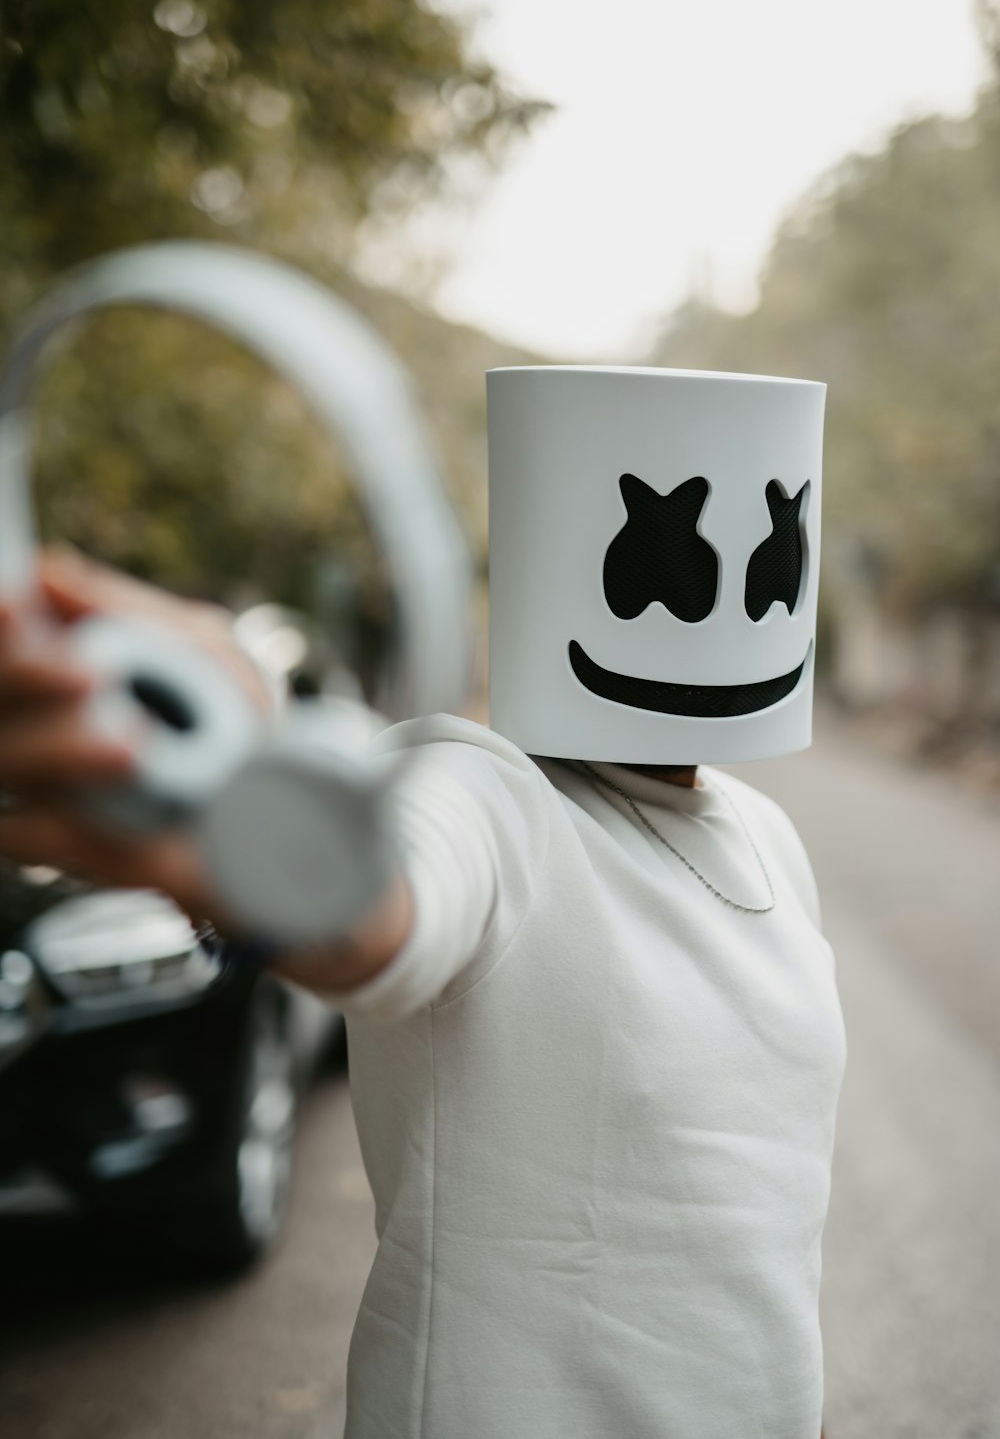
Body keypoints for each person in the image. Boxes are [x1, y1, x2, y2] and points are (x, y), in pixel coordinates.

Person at [0, 366, 845, 1439]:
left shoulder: (768, 836)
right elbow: (382, 912)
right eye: (668, 571)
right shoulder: (488, 792)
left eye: (767, 561)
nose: (716, 601)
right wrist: (226, 820)